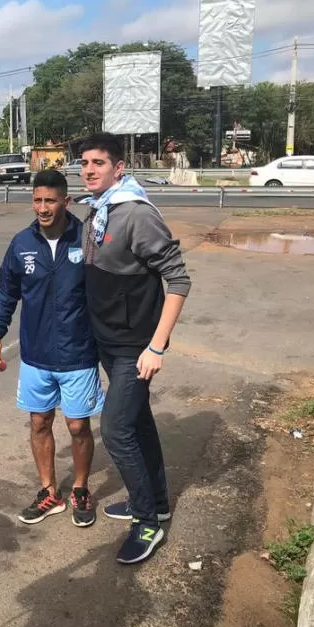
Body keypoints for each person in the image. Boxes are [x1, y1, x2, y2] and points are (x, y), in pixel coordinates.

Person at [77, 132, 192, 565]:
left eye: (99, 163)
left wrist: (157, 347)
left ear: (118, 168)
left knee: (117, 431)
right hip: (109, 341)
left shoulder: (135, 213)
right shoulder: (98, 211)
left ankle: (148, 523)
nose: (89, 169)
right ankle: (156, 501)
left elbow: (179, 279)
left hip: (135, 347)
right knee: (139, 425)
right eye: (85, 162)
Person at [0, 169, 104, 528]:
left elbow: (107, 291)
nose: (42, 207)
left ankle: (80, 488)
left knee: (78, 426)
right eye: (37, 200)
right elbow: (7, 292)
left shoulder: (86, 239)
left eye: (50, 200)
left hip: (78, 352)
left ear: (66, 202)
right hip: (35, 353)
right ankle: (49, 491)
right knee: (39, 422)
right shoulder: (21, 243)